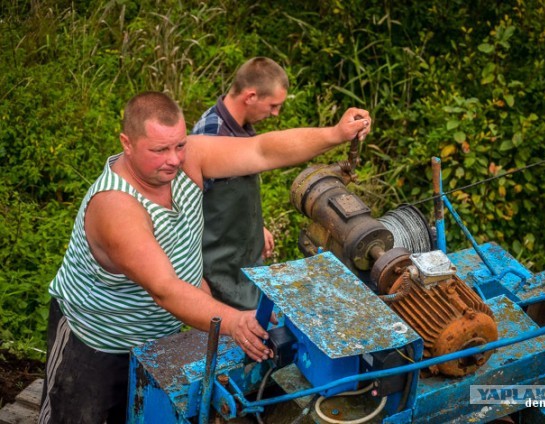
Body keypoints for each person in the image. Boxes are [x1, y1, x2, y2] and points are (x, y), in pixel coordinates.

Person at [38, 91, 370, 423]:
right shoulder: (116, 206)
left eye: (178, 145)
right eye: (159, 150)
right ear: (127, 143)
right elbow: (164, 288)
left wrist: (335, 134)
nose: (173, 159)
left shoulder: (189, 159)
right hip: (99, 345)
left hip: (161, 341)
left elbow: (261, 150)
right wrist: (236, 321)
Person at [192, 57, 288, 310]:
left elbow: (240, 194)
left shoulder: (242, 126)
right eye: (273, 105)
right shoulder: (212, 135)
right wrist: (193, 275)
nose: (276, 113)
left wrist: (259, 228)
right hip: (219, 268)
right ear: (251, 96)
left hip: (243, 255)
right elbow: (186, 214)